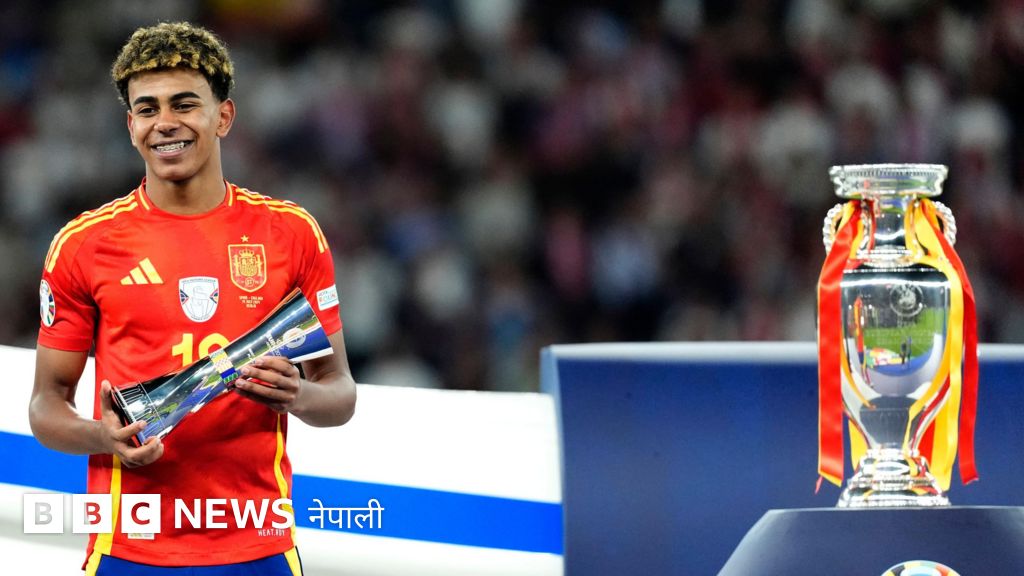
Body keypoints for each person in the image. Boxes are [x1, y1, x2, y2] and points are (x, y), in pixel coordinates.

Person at [29, 21, 357, 575]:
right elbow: (45, 406)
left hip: (258, 545)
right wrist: (103, 436)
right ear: (131, 126)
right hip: (128, 546)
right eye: (148, 109)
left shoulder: (291, 234)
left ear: (223, 116)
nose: (165, 123)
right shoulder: (84, 244)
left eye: (184, 104)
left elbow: (340, 394)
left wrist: (297, 394)